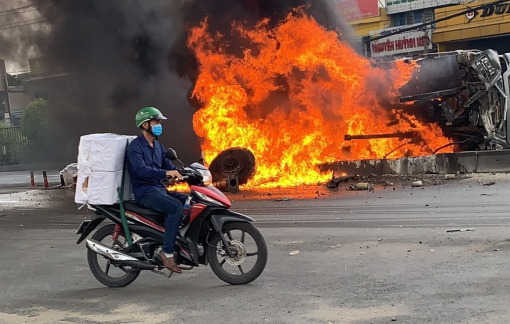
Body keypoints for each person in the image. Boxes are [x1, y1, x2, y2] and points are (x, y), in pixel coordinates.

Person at [126, 106, 188, 273]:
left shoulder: (158, 146)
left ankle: (179, 240)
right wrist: (166, 173)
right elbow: (141, 170)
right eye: (156, 122)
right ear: (145, 125)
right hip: (145, 192)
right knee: (175, 207)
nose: (160, 125)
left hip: (159, 189)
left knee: (188, 200)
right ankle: (167, 253)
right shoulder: (135, 147)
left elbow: (168, 166)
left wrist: (186, 172)